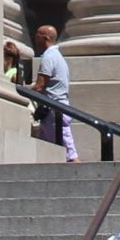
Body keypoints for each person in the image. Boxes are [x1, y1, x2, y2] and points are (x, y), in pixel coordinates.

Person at [32, 23, 78, 163]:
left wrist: (20, 89)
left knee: (70, 156)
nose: (35, 39)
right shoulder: (58, 57)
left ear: (45, 38)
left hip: (54, 111)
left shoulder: (48, 57)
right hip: (55, 111)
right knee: (46, 152)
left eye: (37, 36)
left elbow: (40, 86)